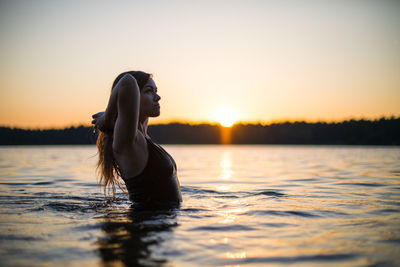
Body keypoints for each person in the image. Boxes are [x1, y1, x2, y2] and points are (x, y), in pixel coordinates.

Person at [91, 71, 182, 208]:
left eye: (156, 91)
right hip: (144, 226)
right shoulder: (129, 141)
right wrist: (107, 118)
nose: (158, 97)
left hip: (161, 226)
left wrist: (111, 115)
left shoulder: (142, 136)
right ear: (133, 97)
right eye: (148, 91)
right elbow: (127, 82)